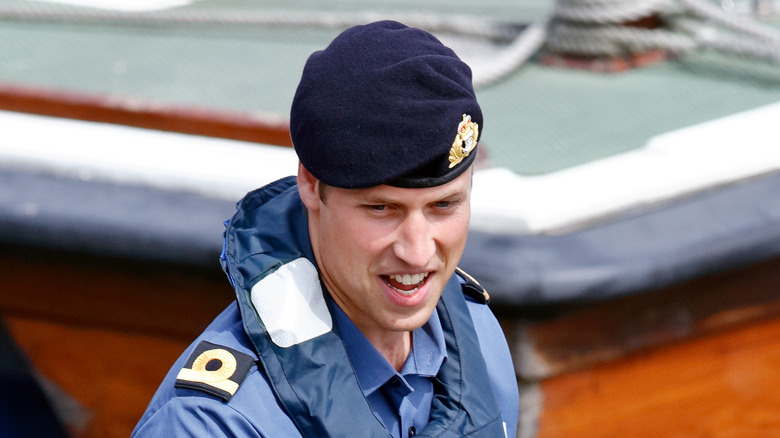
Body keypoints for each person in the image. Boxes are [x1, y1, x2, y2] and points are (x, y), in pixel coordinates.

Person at [133, 20, 519, 438]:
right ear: (311, 186)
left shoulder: (479, 336)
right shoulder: (215, 423)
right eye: (382, 208)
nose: (418, 251)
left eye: (444, 205)